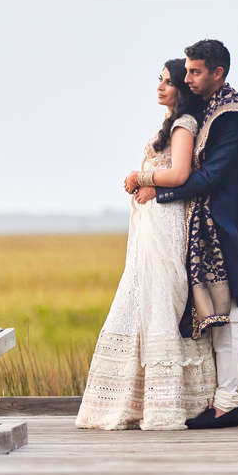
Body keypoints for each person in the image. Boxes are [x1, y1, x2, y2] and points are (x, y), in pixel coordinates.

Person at [137, 39, 238, 429]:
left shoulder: (232, 117)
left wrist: (156, 188)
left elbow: (212, 176)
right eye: (187, 71)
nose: (187, 78)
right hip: (217, 227)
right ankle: (232, 397)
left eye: (195, 71)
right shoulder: (215, 109)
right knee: (223, 314)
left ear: (218, 73)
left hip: (228, 228)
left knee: (228, 315)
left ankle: (229, 404)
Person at [74, 58, 216, 430]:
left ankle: (168, 403)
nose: (160, 87)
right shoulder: (169, 125)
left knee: (158, 298)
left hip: (167, 222)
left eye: (167, 82)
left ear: (181, 90)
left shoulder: (184, 125)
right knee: (142, 296)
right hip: (152, 220)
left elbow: (181, 173)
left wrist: (142, 176)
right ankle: (137, 399)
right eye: (161, 80)